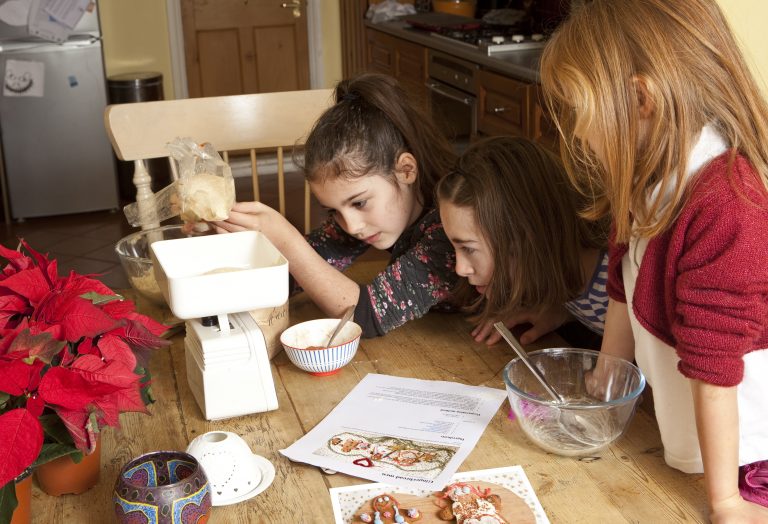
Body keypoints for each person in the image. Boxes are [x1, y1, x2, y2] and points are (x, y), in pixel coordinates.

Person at [539, 0, 768, 521]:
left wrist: (728, 502)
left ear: (641, 97)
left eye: (580, 110)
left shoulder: (728, 204)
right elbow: (625, 281)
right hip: (690, 442)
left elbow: (715, 367)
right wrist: (604, 382)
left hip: (751, 458)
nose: (576, 133)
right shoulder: (649, 178)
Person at [212, 73, 458, 337]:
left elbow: (363, 316)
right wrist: (233, 235)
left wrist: (286, 240)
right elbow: (294, 275)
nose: (351, 226)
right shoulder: (365, 219)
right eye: (334, 211)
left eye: (360, 202)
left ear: (406, 170)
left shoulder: (450, 229)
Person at [436, 136, 608, 346]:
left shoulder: (618, 278)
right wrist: (560, 313)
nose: (460, 268)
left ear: (524, 237)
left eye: (469, 249)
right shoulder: (565, 275)